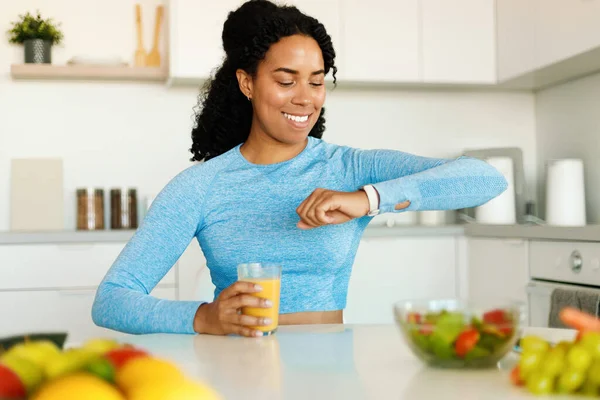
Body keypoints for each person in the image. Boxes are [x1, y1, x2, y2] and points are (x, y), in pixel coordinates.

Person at [91, 0, 508, 337]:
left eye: (316, 80)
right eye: (286, 80)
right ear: (247, 83)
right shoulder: (202, 185)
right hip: (237, 370)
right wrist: (204, 318)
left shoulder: (348, 169)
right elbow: (112, 299)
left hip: (331, 369)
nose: (305, 98)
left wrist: (366, 200)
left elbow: (484, 178)